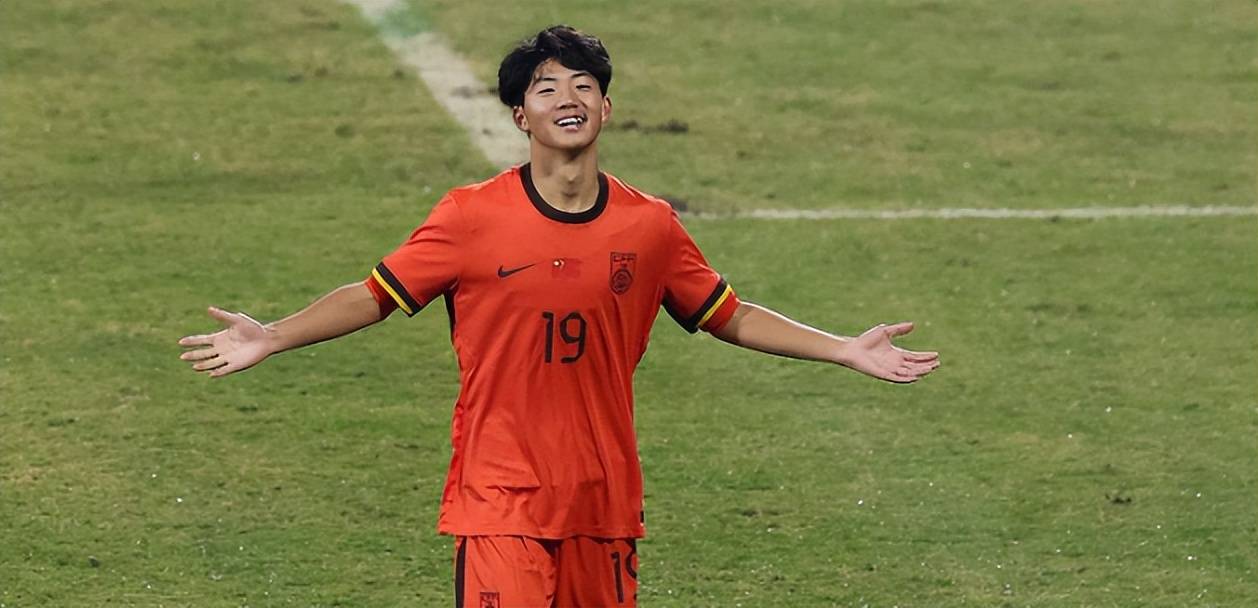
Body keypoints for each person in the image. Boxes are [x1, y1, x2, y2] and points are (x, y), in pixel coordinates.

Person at [178, 25, 939, 608]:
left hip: (602, 502)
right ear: (520, 115)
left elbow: (726, 314)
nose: (568, 99)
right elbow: (375, 294)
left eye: (583, 85)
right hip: (500, 498)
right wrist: (273, 335)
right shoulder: (471, 217)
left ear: (606, 107)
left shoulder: (650, 227)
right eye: (547, 89)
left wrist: (843, 348)